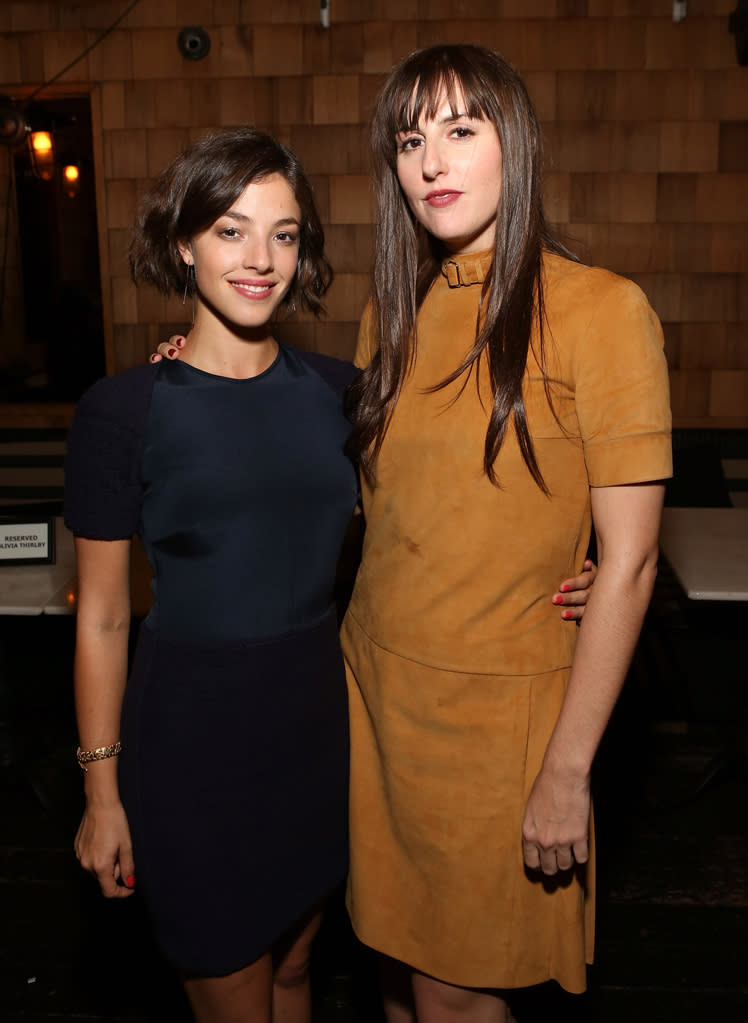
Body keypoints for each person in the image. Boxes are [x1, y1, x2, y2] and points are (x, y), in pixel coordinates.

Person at [64, 127, 361, 1023]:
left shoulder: (348, 394)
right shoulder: (122, 412)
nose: (261, 259)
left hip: (318, 737)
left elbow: (441, 521)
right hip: (192, 750)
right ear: (184, 241)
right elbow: (104, 618)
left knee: (298, 972)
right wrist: (100, 791)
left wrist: (575, 564)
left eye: (285, 232)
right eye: (232, 231)